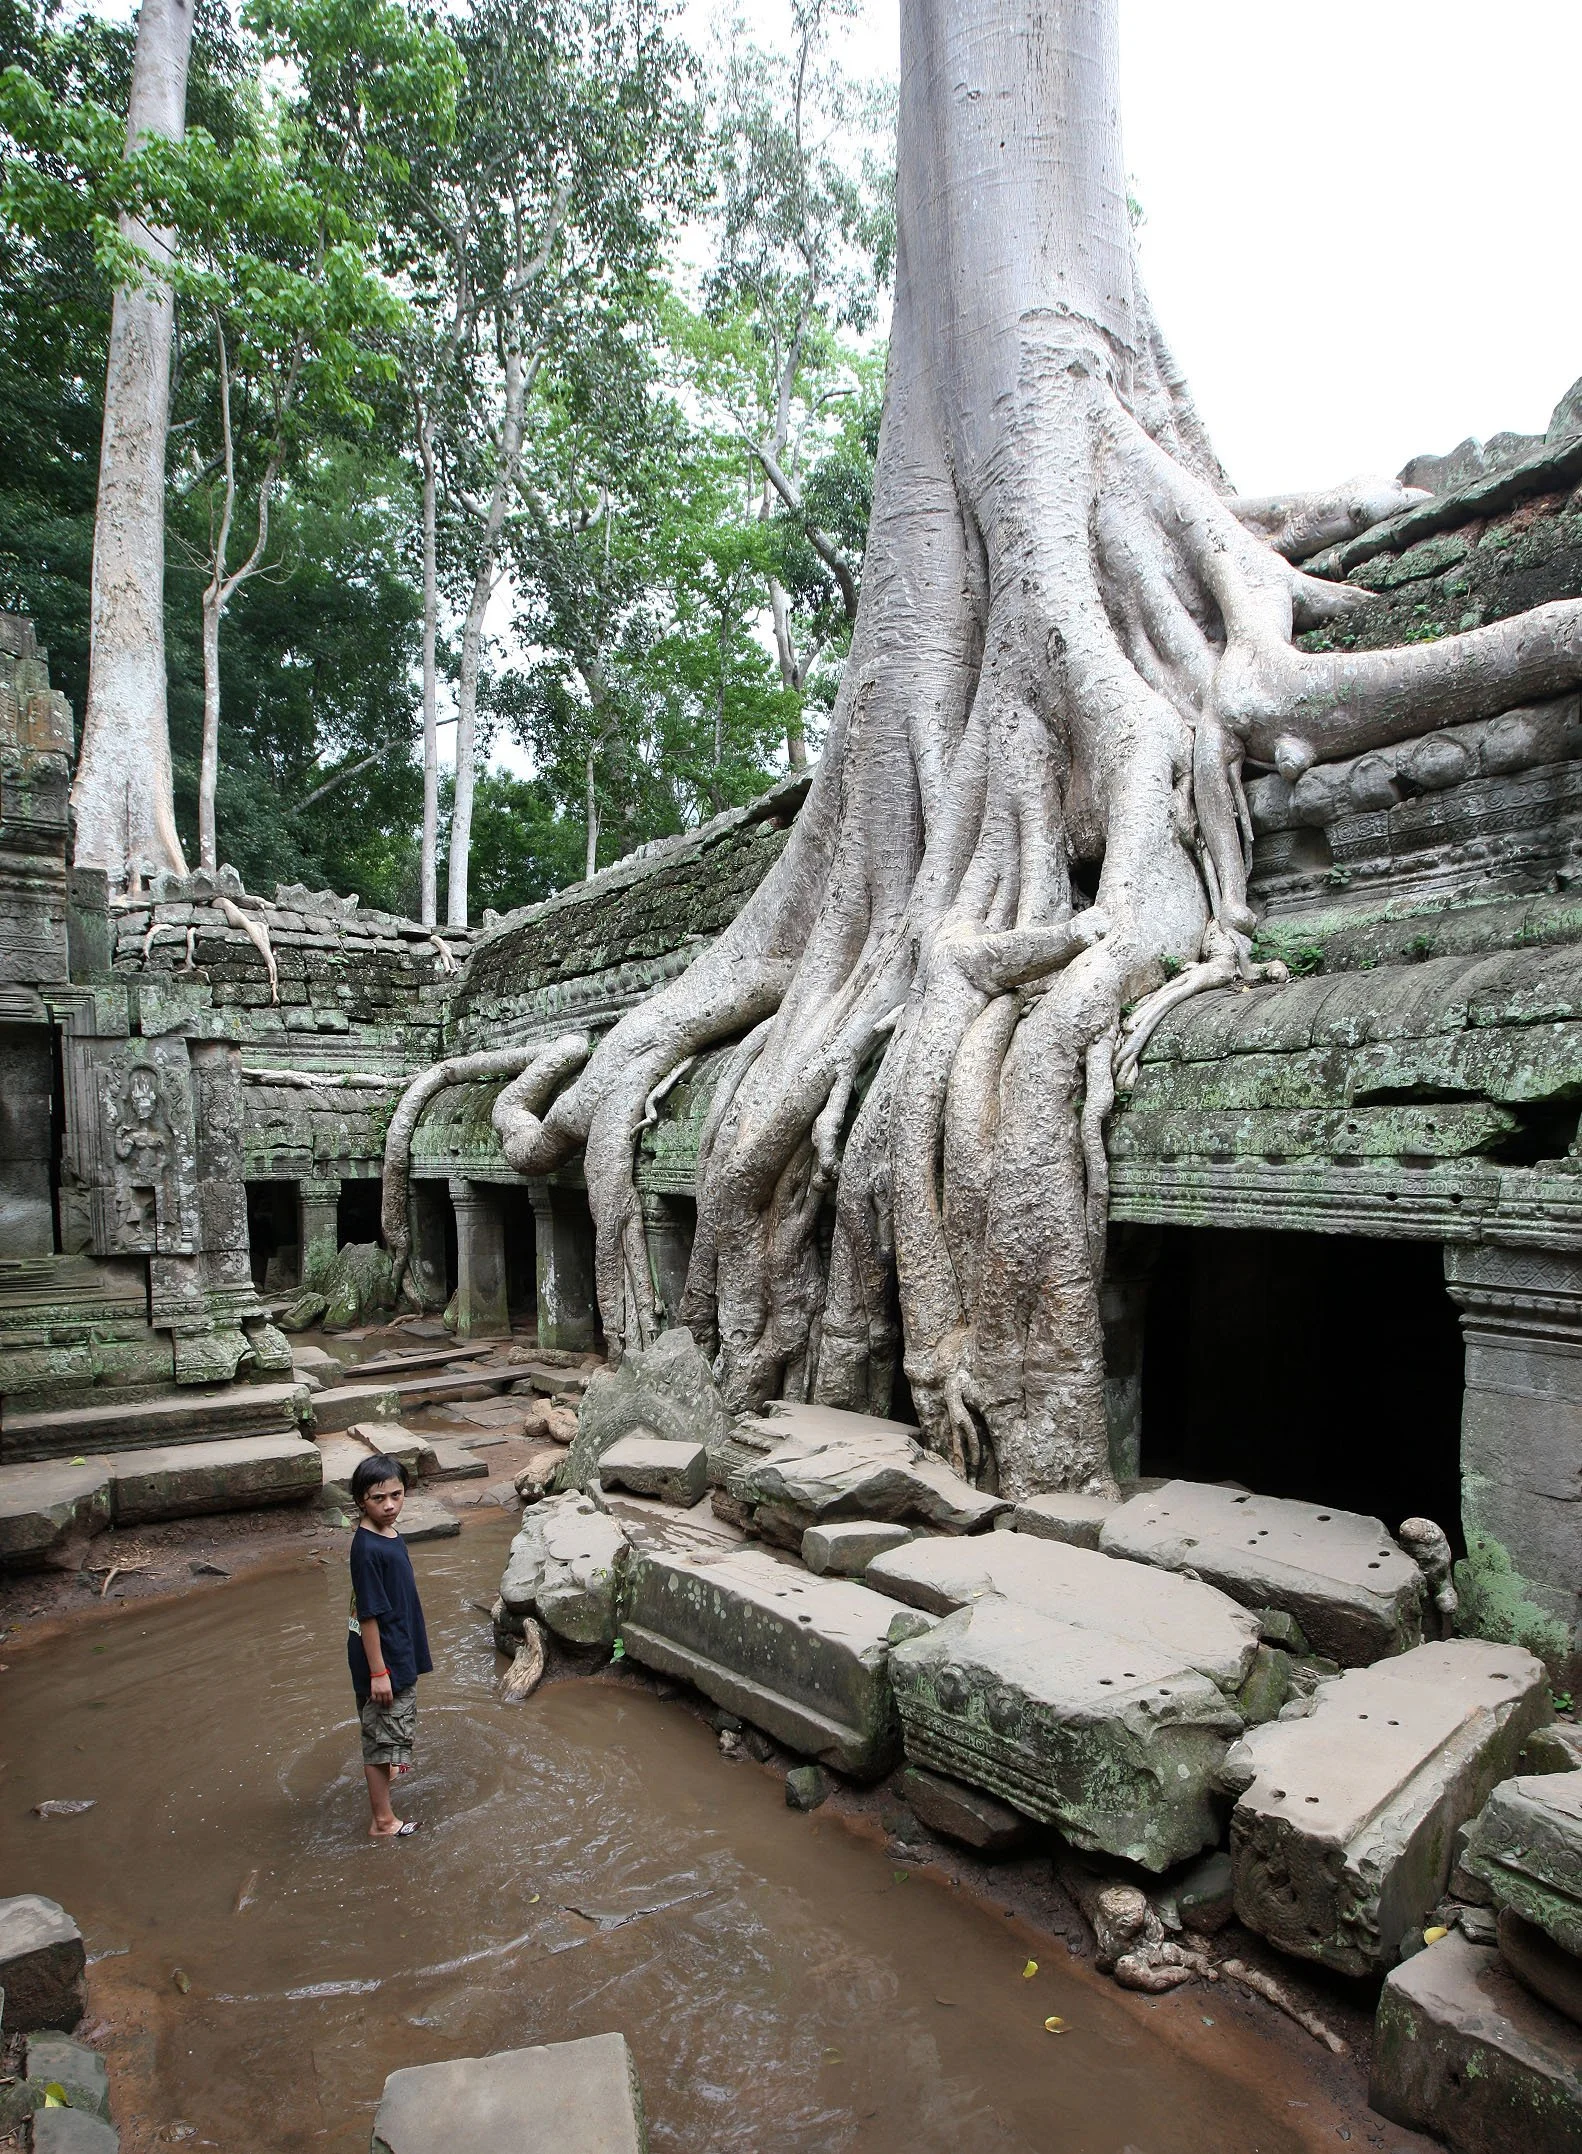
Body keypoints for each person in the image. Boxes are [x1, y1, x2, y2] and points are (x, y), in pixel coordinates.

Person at [347, 1454, 433, 1838]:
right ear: (360, 1500)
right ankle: (383, 1821)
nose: (390, 1505)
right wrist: (379, 1672)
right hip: (382, 1655)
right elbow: (366, 1615)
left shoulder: (388, 1534)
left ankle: (392, 1767)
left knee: (388, 1728)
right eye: (379, 1498)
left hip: (397, 1644)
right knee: (380, 1737)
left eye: (397, 1495)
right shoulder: (367, 1550)